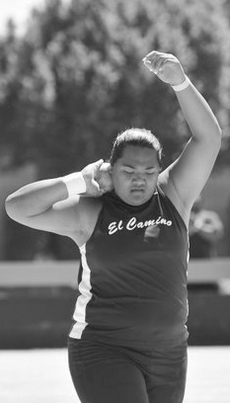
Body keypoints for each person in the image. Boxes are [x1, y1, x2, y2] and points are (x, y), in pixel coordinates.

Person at [5, 51, 222, 403]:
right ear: (109, 168)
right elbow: (17, 208)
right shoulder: (90, 211)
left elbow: (209, 138)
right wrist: (78, 181)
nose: (140, 180)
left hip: (169, 353)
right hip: (104, 350)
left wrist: (179, 82)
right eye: (129, 172)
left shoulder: (174, 195)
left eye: (148, 172)